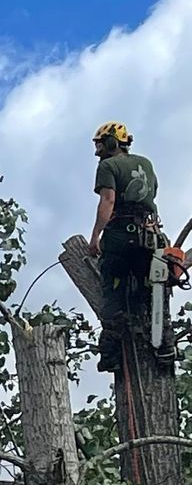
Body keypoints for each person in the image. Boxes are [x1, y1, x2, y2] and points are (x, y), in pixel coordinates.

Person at [87, 121, 163, 372]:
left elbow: (108, 201)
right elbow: (152, 194)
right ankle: (165, 344)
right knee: (153, 291)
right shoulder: (147, 164)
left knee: (112, 291)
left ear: (110, 143)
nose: (97, 150)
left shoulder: (108, 166)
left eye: (100, 144)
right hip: (150, 236)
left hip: (120, 237)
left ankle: (111, 353)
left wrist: (96, 236)